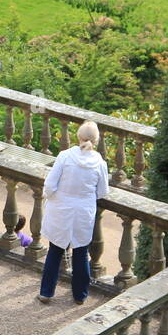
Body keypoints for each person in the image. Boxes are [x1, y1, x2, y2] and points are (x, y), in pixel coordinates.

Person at [38, 120, 109, 306]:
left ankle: (46, 292)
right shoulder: (100, 163)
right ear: (96, 139)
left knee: (54, 251)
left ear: (78, 136)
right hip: (83, 212)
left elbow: (50, 184)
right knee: (81, 253)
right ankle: (80, 295)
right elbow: (102, 192)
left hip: (61, 209)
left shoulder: (65, 156)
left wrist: (53, 198)